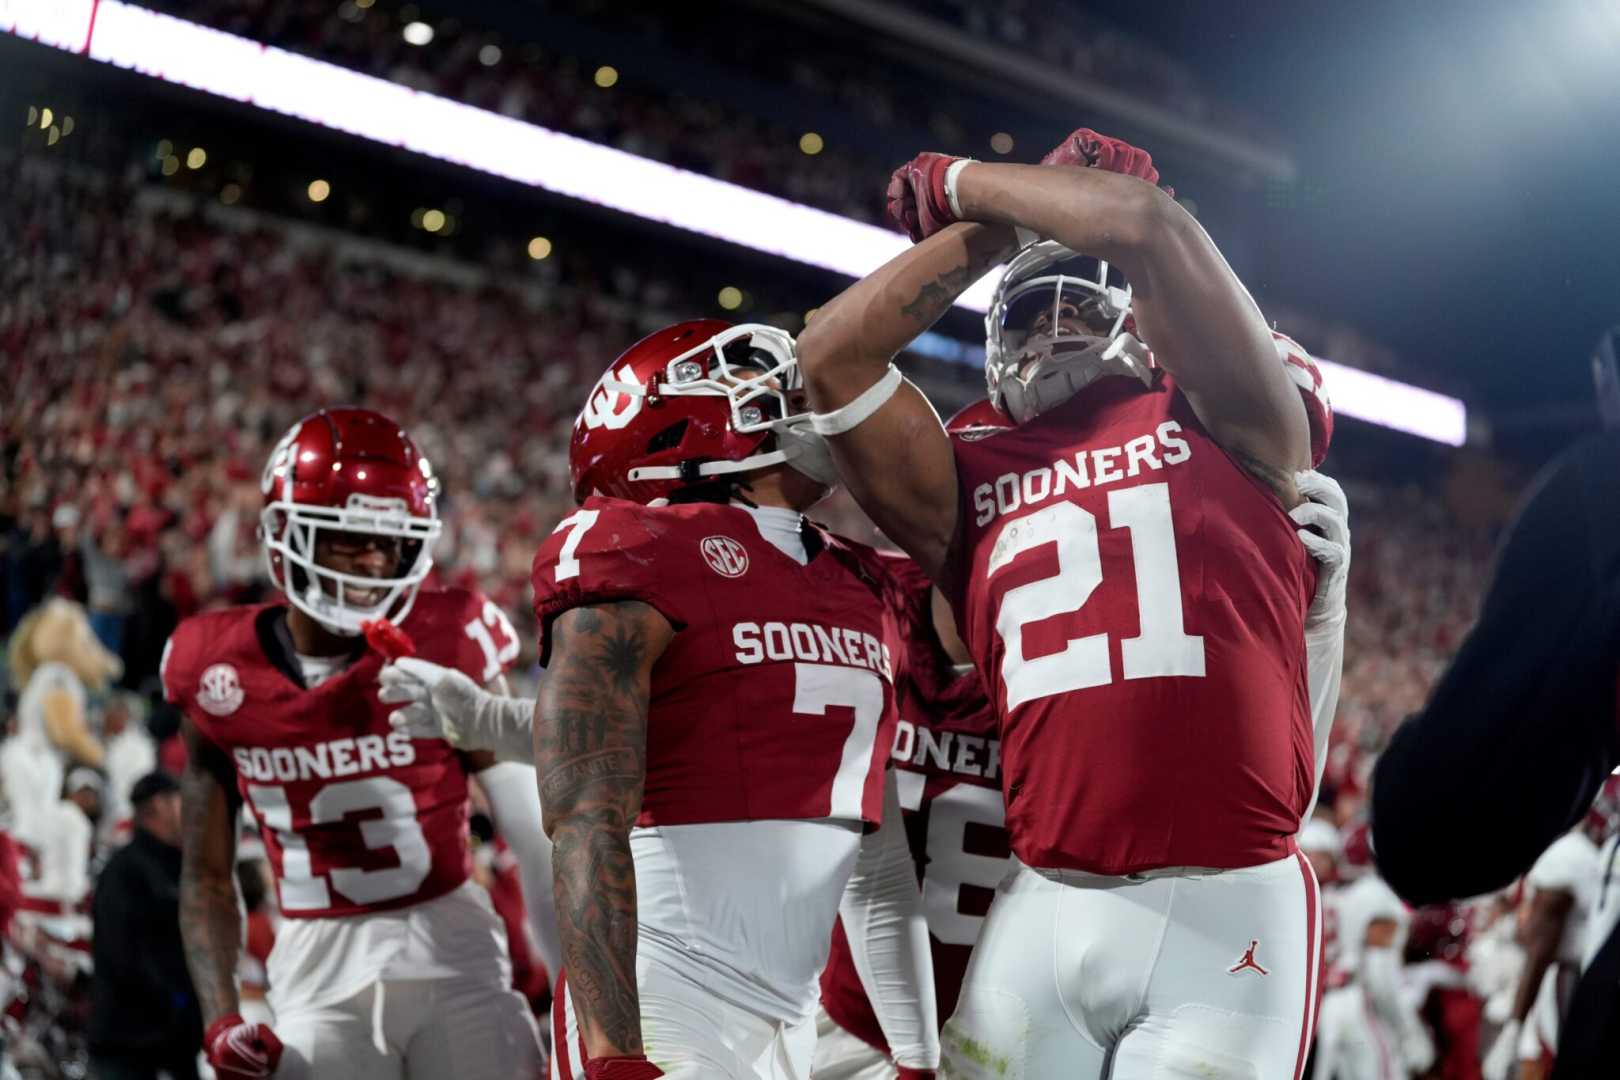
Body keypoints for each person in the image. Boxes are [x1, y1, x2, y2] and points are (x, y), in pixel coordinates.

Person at [794, 128, 1342, 1076]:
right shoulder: (970, 468)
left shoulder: (1218, 410)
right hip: (1045, 895)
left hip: (1228, 899)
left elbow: (1147, 222)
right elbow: (829, 355)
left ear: (1144, 318)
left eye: (1078, 299)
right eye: (1031, 310)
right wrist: (996, 223)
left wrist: (961, 181)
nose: (1053, 326)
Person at [379, 321, 940, 1080]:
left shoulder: (866, 581)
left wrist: (916, 1054)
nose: (794, 395)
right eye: (746, 375)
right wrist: (614, 1050)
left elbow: (873, 848)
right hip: (668, 991)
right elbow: (585, 808)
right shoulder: (637, 545)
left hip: (793, 1016)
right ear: (663, 417)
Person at [813, 400, 1352, 1080]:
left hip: (1035, 1021)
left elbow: (1272, 810)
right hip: (860, 1012)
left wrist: (1317, 628)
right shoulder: (858, 601)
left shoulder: (1115, 651)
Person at [163, 407, 550, 1080]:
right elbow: (204, 872)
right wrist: (220, 1018)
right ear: (286, 533)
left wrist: (579, 979)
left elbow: (530, 822)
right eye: (349, 537)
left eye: (390, 542)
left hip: (455, 950)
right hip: (316, 963)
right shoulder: (214, 669)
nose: (374, 561)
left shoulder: (448, 634)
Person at [1481, 796, 1613, 1080]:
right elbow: (1538, 943)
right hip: (1568, 985)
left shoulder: (1573, 853)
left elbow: (1539, 946)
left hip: (1565, 984)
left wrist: (1515, 1025)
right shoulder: (1578, 854)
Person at [87, 771, 202, 1080]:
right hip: (130, 1044)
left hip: (174, 1042)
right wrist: (177, 1000)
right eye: (180, 800)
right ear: (157, 807)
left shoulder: (179, 865)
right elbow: (123, 955)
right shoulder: (124, 872)